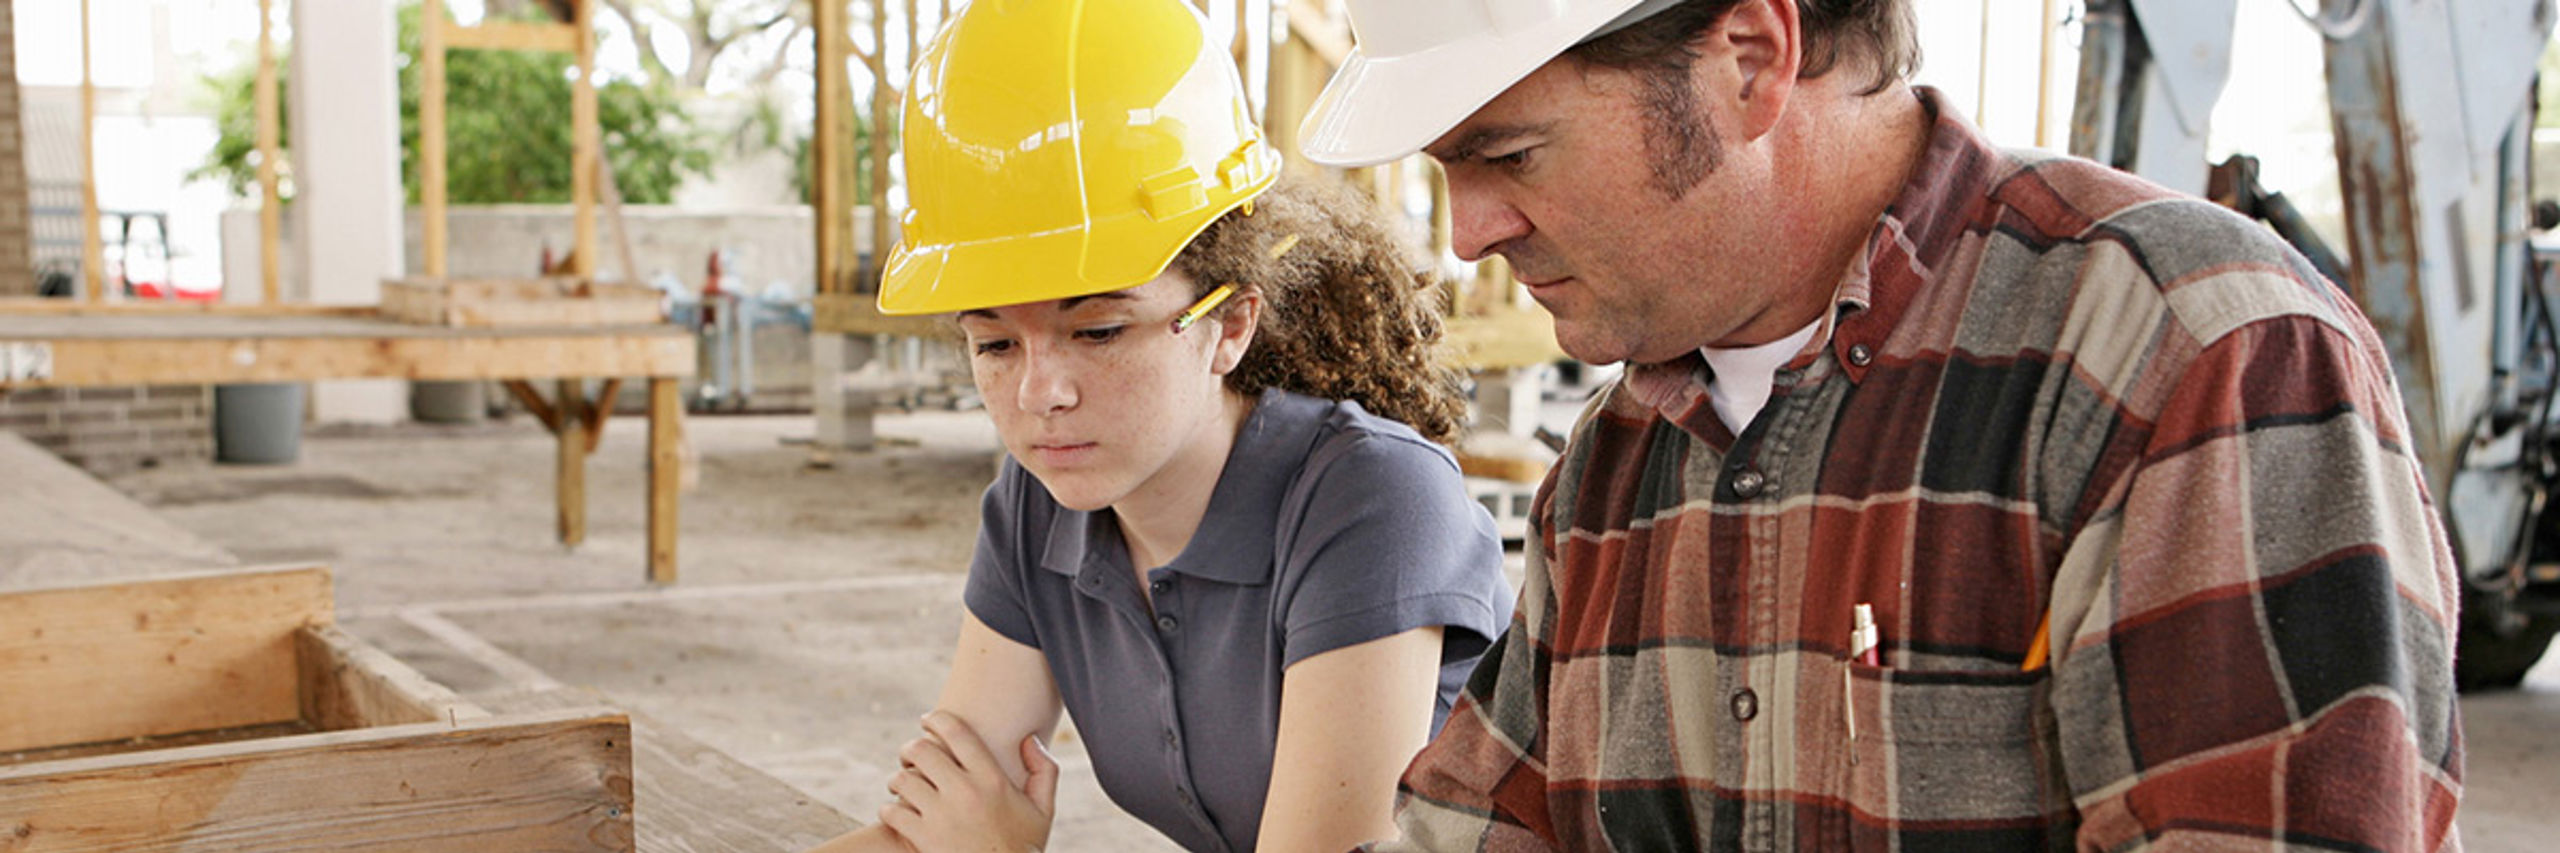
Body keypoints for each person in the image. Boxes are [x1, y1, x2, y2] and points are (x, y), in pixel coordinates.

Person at [1297, 0, 2464, 849]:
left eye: (1507, 154)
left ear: (1751, 58)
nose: (1469, 232)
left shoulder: (2185, 354)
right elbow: (1481, 824)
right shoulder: (1615, 464)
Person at [809, 0, 1514, 851]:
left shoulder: (1374, 502)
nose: (1039, 393)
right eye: (994, 343)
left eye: (1099, 331)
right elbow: (930, 832)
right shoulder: (1039, 504)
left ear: (1231, 324)